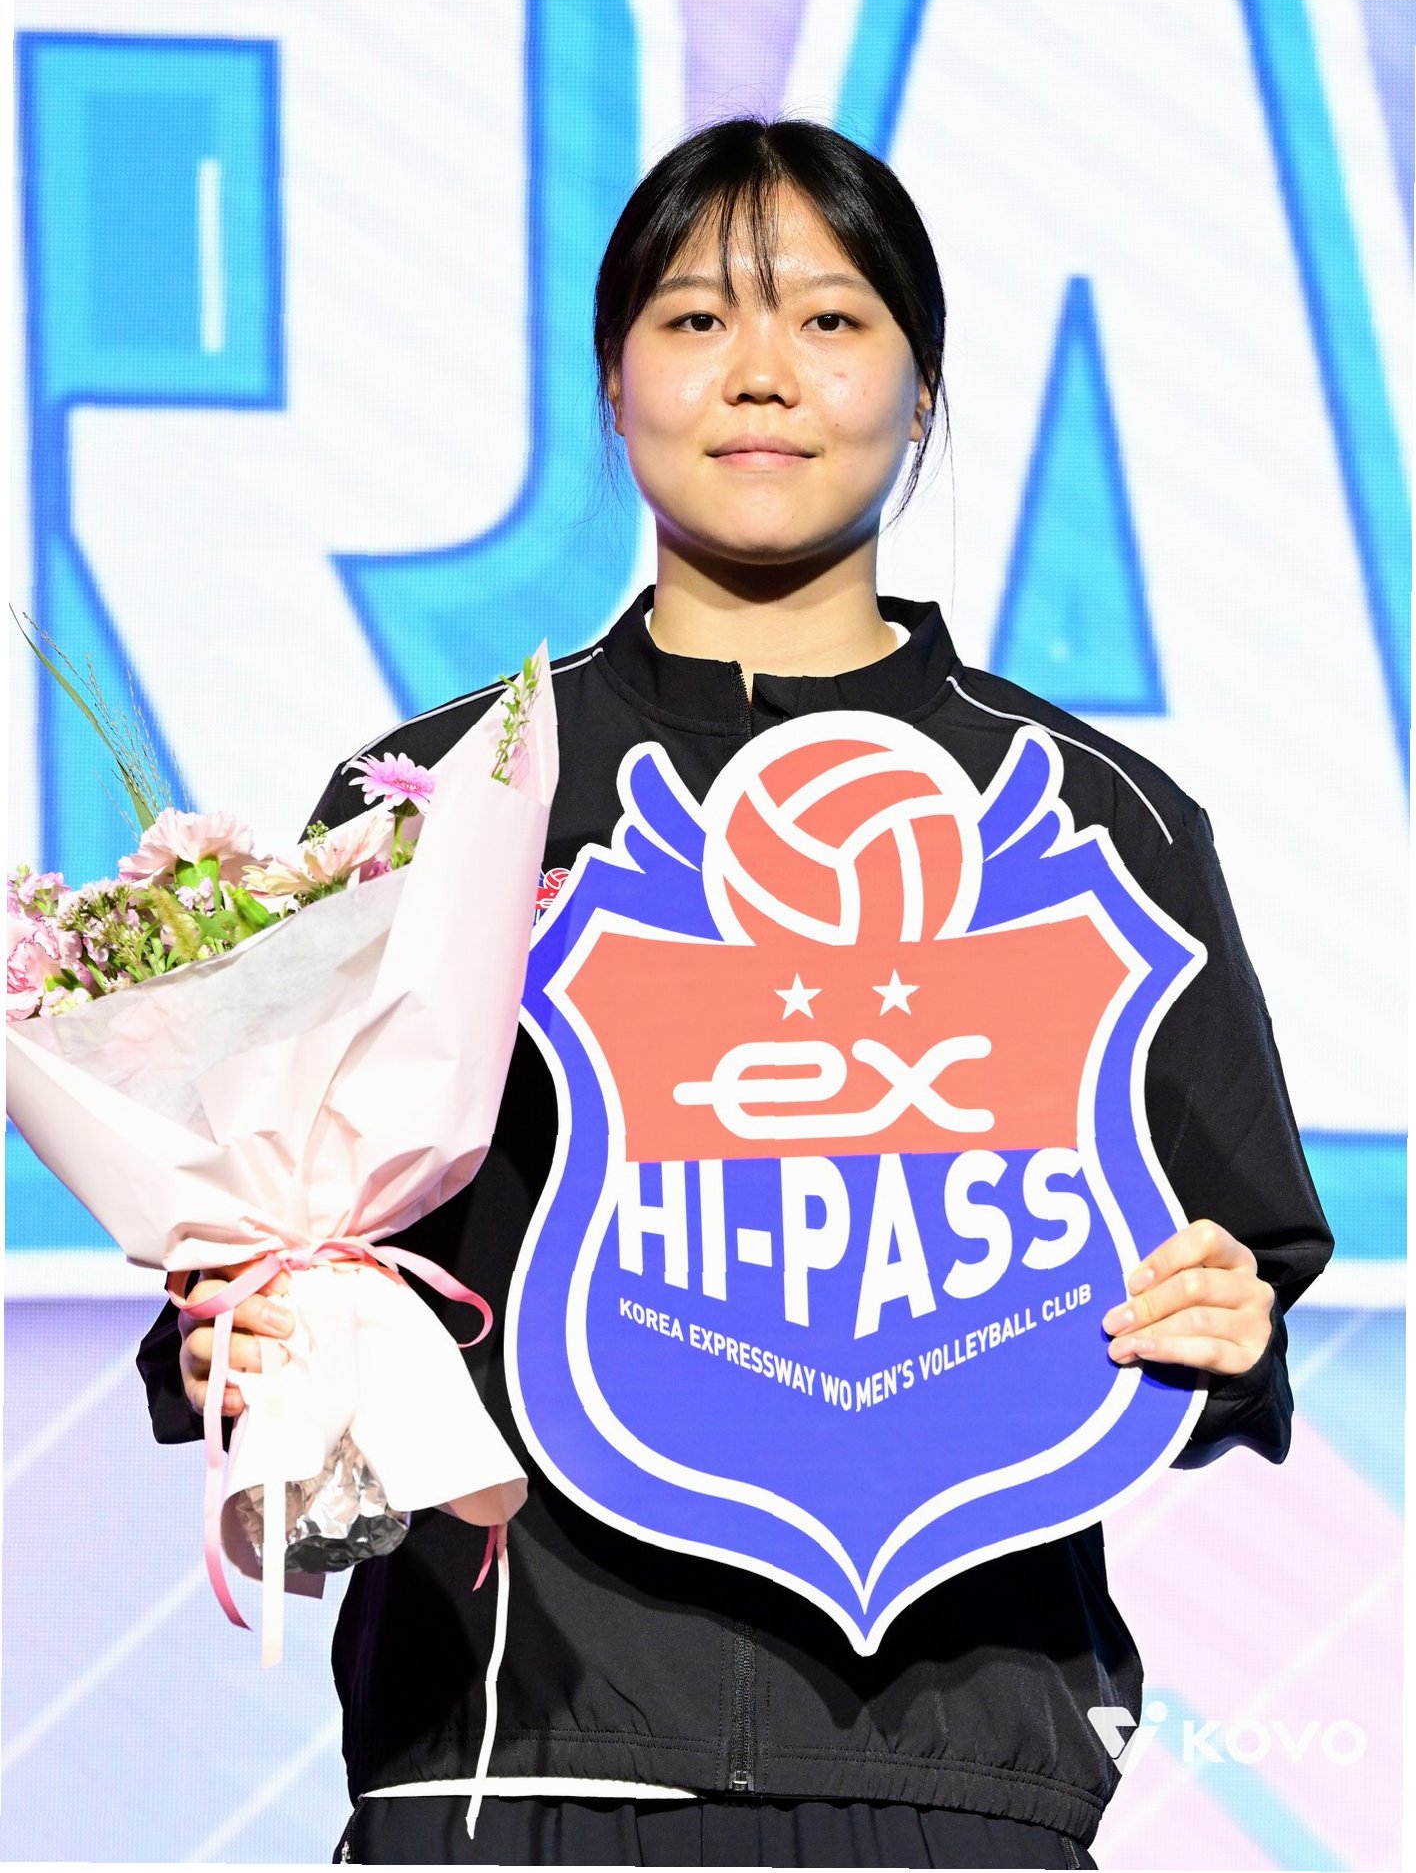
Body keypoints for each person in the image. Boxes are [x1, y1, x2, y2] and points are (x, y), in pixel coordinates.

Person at [135, 118, 1333, 1869]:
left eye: (831, 321)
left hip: (960, 1786)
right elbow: (264, 1253)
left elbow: (1237, 1271)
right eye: (697, 319)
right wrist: (237, 1340)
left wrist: (1226, 1328)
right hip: (520, 1770)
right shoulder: (444, 802)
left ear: (922, 391)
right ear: (612, 384)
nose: (761, 372)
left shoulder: (1099, 821)